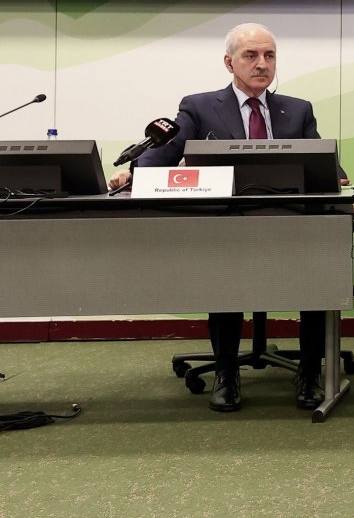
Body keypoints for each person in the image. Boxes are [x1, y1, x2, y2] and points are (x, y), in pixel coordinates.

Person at [107, 23, 329, 413]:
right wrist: (135, 172)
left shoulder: (297, 110)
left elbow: (324, 168)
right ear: (229, 62)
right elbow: (163, 154)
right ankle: (227, 372)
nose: (262, 64)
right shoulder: (199, 106)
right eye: (251, 56)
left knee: (319, 276)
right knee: (225, 277)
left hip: (289, 225)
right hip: (228, 225)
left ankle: (309, 372)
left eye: (269, 56)